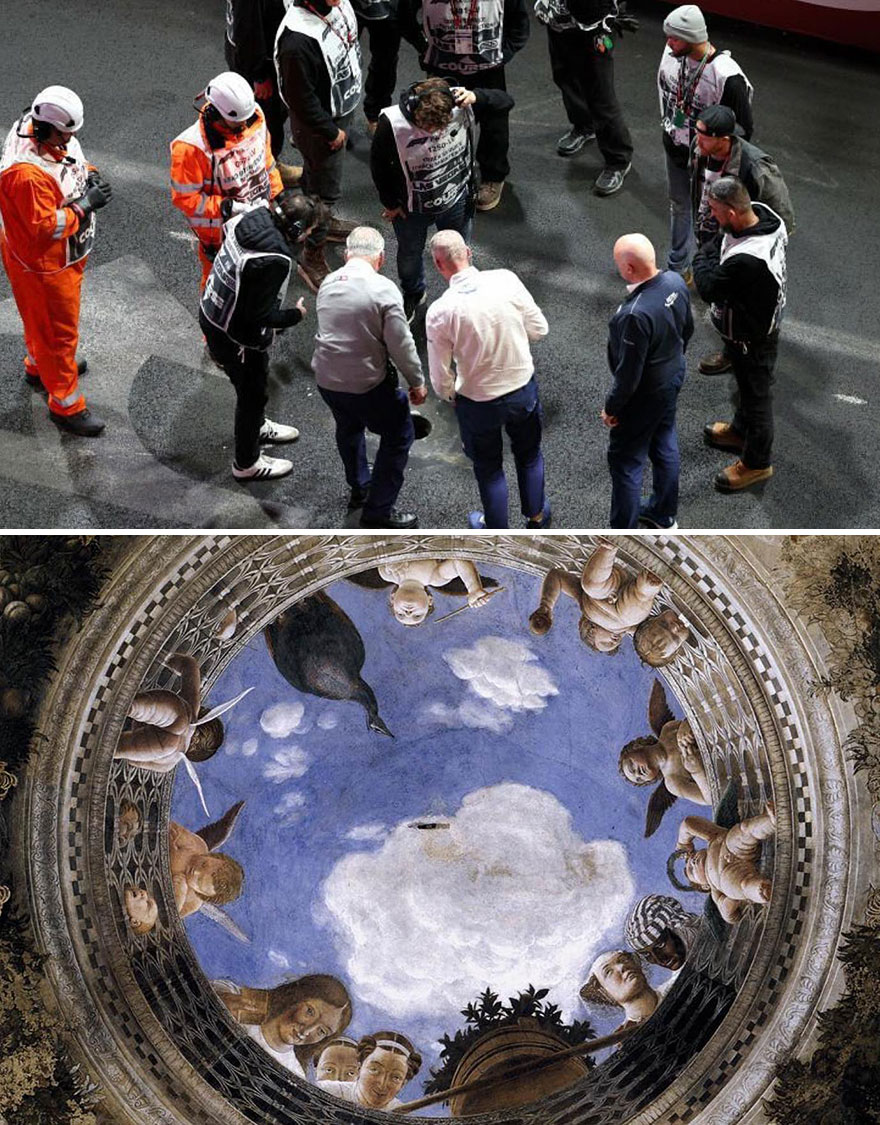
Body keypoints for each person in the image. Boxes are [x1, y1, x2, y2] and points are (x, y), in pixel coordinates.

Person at [0, 85, 112, 437]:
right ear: (47, 128)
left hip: (53, 261)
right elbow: (45, 227)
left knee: (41, 324)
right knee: (58, 334)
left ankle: (40, 366)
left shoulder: (45, 135)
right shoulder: (26, 174)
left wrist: (88, 173)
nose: (71, 137)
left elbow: (71, 160)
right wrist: (84, 205)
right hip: (45, 266)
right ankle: (65, 403)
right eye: (66, 133)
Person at [426, 229, 549, 529]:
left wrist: (450, 396)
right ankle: (536, 515)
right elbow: (539, 329)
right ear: (468, 252)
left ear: (438, 264)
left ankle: (496, 528)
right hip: (521, 389)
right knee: (530, 455)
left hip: (478, 401)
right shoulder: (506, 279)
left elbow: (440, 375)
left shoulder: (440, 311)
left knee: (490, 470)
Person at [200, 191, 326, 482]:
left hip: (216, 316)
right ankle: (246, 463)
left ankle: (257, 425)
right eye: (307, 230)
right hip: (233, 337)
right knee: (250, 393)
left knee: (257, 380)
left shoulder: (253, 220)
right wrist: (295, 315)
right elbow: (258, 316)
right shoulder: (272, 260)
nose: (308, 235)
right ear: (295, 231)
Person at [370, 78, 513, 320]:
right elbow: (378, 165)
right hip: (411, 208)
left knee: (459, 252)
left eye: (440, 126)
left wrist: (477, 95)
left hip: (457, 198)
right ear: (414, 109)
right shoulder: (391, 123)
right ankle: (414, 293)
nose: (435, 132)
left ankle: (462, 295)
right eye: (428, 126)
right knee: (409, 254)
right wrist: (391, 203)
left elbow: (505, 102)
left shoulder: (461, 105)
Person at [312, 226, 426, 528]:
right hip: (367, 384)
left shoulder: (328, 282)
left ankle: (360, 486)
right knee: (399, 435)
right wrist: (417, 382)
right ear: (381, 258)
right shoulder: (383, 290)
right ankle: (378, 511)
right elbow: (400, 344)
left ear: (347, 254)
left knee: (348, 427)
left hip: (326, 378)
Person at [693, 176, 787, 493]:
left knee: (758, 398)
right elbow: (720, 240)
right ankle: (740, 430)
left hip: (753, 338)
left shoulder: (748, 259)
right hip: (749, 329)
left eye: (716, 212)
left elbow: (707, 287)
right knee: (746, 390)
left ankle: (757, 464)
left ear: (732, 213)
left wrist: (701, 257)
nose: (713, 218)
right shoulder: (763, 214)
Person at [690, 104, 794, 375]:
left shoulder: (757, 167)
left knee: (747, 305)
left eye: (702, 134)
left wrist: (761, 248)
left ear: (723, 139)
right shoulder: (702, 149)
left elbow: (781, 216)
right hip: (715, 237)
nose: (695, 138)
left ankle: (751, 363)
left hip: (741, 245)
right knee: (725, 304)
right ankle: (733, 349)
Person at [397, 0, 530, 210]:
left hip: (488, 68)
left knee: (494, 122)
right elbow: (403, 15)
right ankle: (442, 173)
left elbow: (520, 22)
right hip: (443, 66)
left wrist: (503, 53)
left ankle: (493, 176)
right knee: (441, 122)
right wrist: (424, 46)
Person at [601, 233, 693, 530]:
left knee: (626, 463)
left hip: (644, 396)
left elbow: (628, 375)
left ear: (629, 269)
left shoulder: (633, 315)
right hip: (671, 377)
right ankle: (664, 514)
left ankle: (623, 531)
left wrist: (612, 408)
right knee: (664, 440)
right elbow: (686, 330)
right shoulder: (675, 282)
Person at [658, 4, 753, 282]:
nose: (667, 42)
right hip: (675, 148)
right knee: (679, 205)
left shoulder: (728, 78)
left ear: (693, 37)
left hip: (710, 163)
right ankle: (677, 267)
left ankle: (709, 270)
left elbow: (744, 130)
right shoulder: (672, 54)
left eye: (674, 37)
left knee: (711, 219)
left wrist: (722, 164)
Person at [274, 0, 362, 291]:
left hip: (337, 111)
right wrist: (330, 132)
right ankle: (312, 254)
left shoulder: (336, 6)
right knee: (326, 193)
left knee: (317, 177)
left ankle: (321, 221)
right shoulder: (297, 41)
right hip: (321, 127)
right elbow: (300, 99)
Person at [170, 72, 284, 292]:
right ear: (216, 112)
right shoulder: (191, 148)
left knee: (257, 283)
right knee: (220, 288)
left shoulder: (255, 117)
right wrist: (224, 207)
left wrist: (278, 193)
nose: (242, 125)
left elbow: (265, 162)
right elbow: (185, 198)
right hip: (219, 234)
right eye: (236, 122)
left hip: (258, 219)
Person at [528, 539, 689, 666]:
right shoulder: (627, 628)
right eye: (615, 643)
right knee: (630, 616)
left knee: (591, 586)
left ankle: (607, 549)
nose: (614, 641)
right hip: (631, 601)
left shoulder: (584, 604)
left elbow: (557, 577)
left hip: (608, 585)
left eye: (605, 642)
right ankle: (645, 589)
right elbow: (645, 640)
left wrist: (546, 606)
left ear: (590, 630)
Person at [534, 0, 636, 196]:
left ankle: (618, 160)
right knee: (564, 77)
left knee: (600, 95)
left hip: (594, 27)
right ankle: (584, 126)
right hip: (559, 22)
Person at [618, 679, 711, 837]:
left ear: (636, 747)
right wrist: (697, 771)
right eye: (639, 779)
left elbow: (699, 719)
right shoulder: (672, 782)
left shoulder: (668, 730)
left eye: (631, 767)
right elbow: (708, 798)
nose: (638, 773)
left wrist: (687, 727)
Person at [216, 975, 353, 1078]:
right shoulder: (240, 1003)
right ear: (296, 997)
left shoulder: (293, 1073)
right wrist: (221, 1000)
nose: (307, 1030)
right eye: (310, 1012)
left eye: (321, 1031)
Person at [225, 0, 300, 177]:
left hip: (252, 57)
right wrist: (259, 75)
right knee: (266, 120)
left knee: (267, 118)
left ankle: (264, 166)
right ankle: (265, 171)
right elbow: (248, 29)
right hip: (258, 65)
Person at [669, 801, 776, 923]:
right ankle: (760, 890)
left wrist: (683, 843)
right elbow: (727, 914)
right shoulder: (714, 888)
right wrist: (732, 898)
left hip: (732, 846)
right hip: (729, 875)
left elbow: (688, 824)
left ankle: (771, 821)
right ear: (705, 886)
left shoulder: (713, 838)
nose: (692, 862)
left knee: (745, 829)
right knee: (742, 885)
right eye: (692, 871)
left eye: (692, 858)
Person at [319, 1031, 422, 1111]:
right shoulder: (326, 1091)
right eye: (374, 1070)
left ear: (403, 1084)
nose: (382, 1084)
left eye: (396, 1077)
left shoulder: (403, 1116)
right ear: (359, 1068)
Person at [169, 815, 245, 919]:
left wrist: (178, 898)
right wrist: (168, 848)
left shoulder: (192, 902)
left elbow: (167, 922)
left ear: (202, 895)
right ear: (211, 856)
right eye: (204, 864)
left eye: (199, 881)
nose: (196, 871)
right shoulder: (195, 846)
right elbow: (167, 826)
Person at [377, 558, 493, 624]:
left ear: (392, 598)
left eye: (400, 614)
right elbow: (459, 562)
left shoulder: (387, 574)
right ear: (429, 601)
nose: (408, 613)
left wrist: (389, 559)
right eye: (417, 615)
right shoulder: (436, 578)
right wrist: (473, 588)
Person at [351, 0, 402, 138]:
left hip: (387, 6)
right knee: (337, 59)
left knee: (385, 62)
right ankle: (325, 122)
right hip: (340, 5)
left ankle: (376, 114)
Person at [579, 951, 659, 1032]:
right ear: (603, 992)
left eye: (624, 960)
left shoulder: (669, 989)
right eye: (608, 972)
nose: (622, 966)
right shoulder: (624, 1036)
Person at [624, 894, 703, 972]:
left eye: (660, 945)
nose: (660, 959)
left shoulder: (709, 939)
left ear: (675, 928)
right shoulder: (689, 970)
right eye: (647, 955)